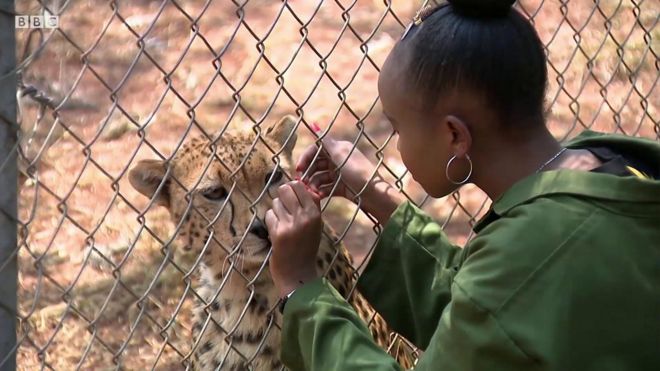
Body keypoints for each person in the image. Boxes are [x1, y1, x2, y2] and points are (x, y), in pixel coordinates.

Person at [263, 0, 660, 369]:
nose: (396, 144)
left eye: (397, 127)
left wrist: (302, 286)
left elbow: (498, 299)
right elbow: (488, 313)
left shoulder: (524, 256)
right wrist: (375, 194)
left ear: (455, 136)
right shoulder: (602, 164)